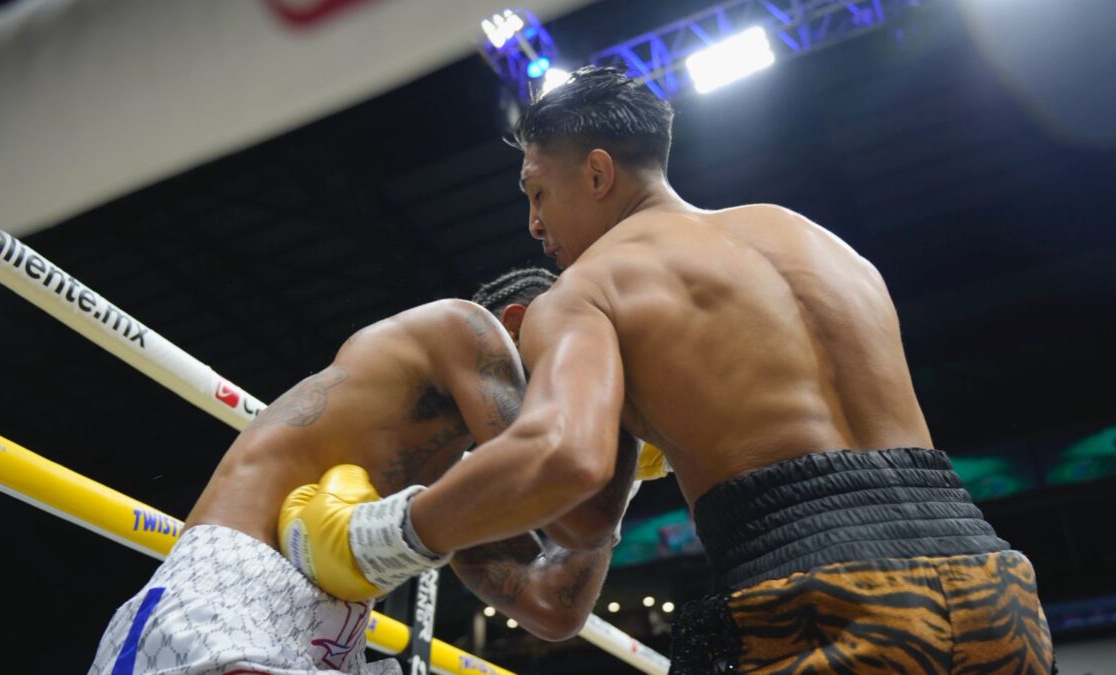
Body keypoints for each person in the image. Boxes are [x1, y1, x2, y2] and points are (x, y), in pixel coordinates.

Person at [297, 67, 1055, 673]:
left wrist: (387, 534)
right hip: (995, 587)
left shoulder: (590, 289)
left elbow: (567, 470)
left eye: (537, 192)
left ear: (597, 173)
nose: (534, 225)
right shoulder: (816, 240)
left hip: (820, 597)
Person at [87, 268, 635, 675]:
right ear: (515, 324)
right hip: (229, 598)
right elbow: (570, 480)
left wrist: (625, 480)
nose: (580, 383)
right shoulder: (461, 326)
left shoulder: (454, 486)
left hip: (324, 645)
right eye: (575, 360)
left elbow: (550, 607)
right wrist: (625, 420)